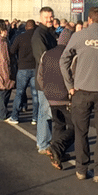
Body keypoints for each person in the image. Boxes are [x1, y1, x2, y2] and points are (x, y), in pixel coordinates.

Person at [60, 6, 98, 182]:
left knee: (81, 131)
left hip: (81, 91)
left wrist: (69, 85)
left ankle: (81, 168)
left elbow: (63, 59)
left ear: (89, 20)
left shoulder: (79, 36)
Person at [38, 28, 74, 170]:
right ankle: (56, 148)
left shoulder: (46, 54)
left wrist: (46, 90)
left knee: (59, 125)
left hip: (50, 97)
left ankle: (58, 156)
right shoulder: (70, 55)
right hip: (66, 97)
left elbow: (40, 76)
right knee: (75, 127)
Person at [32, 7, 57, 153]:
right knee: (45, 112)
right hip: (45, 80)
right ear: (40, 18)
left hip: (48, 79)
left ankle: (44, 140)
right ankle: (43, 143)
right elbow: (43, 59)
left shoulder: (48, 33)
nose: (49, 19)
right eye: (47, 17)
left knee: (46, 112)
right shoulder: (39, 35)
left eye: (51, 17)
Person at [9, 19, 38, 124]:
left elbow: (12, 50)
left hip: (22, 67)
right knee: (35, 95)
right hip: (35, 67)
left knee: (19, 93)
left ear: (26, 27)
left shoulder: (20, 37)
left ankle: (15, 116)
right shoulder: (37, 38)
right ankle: (35, 117)